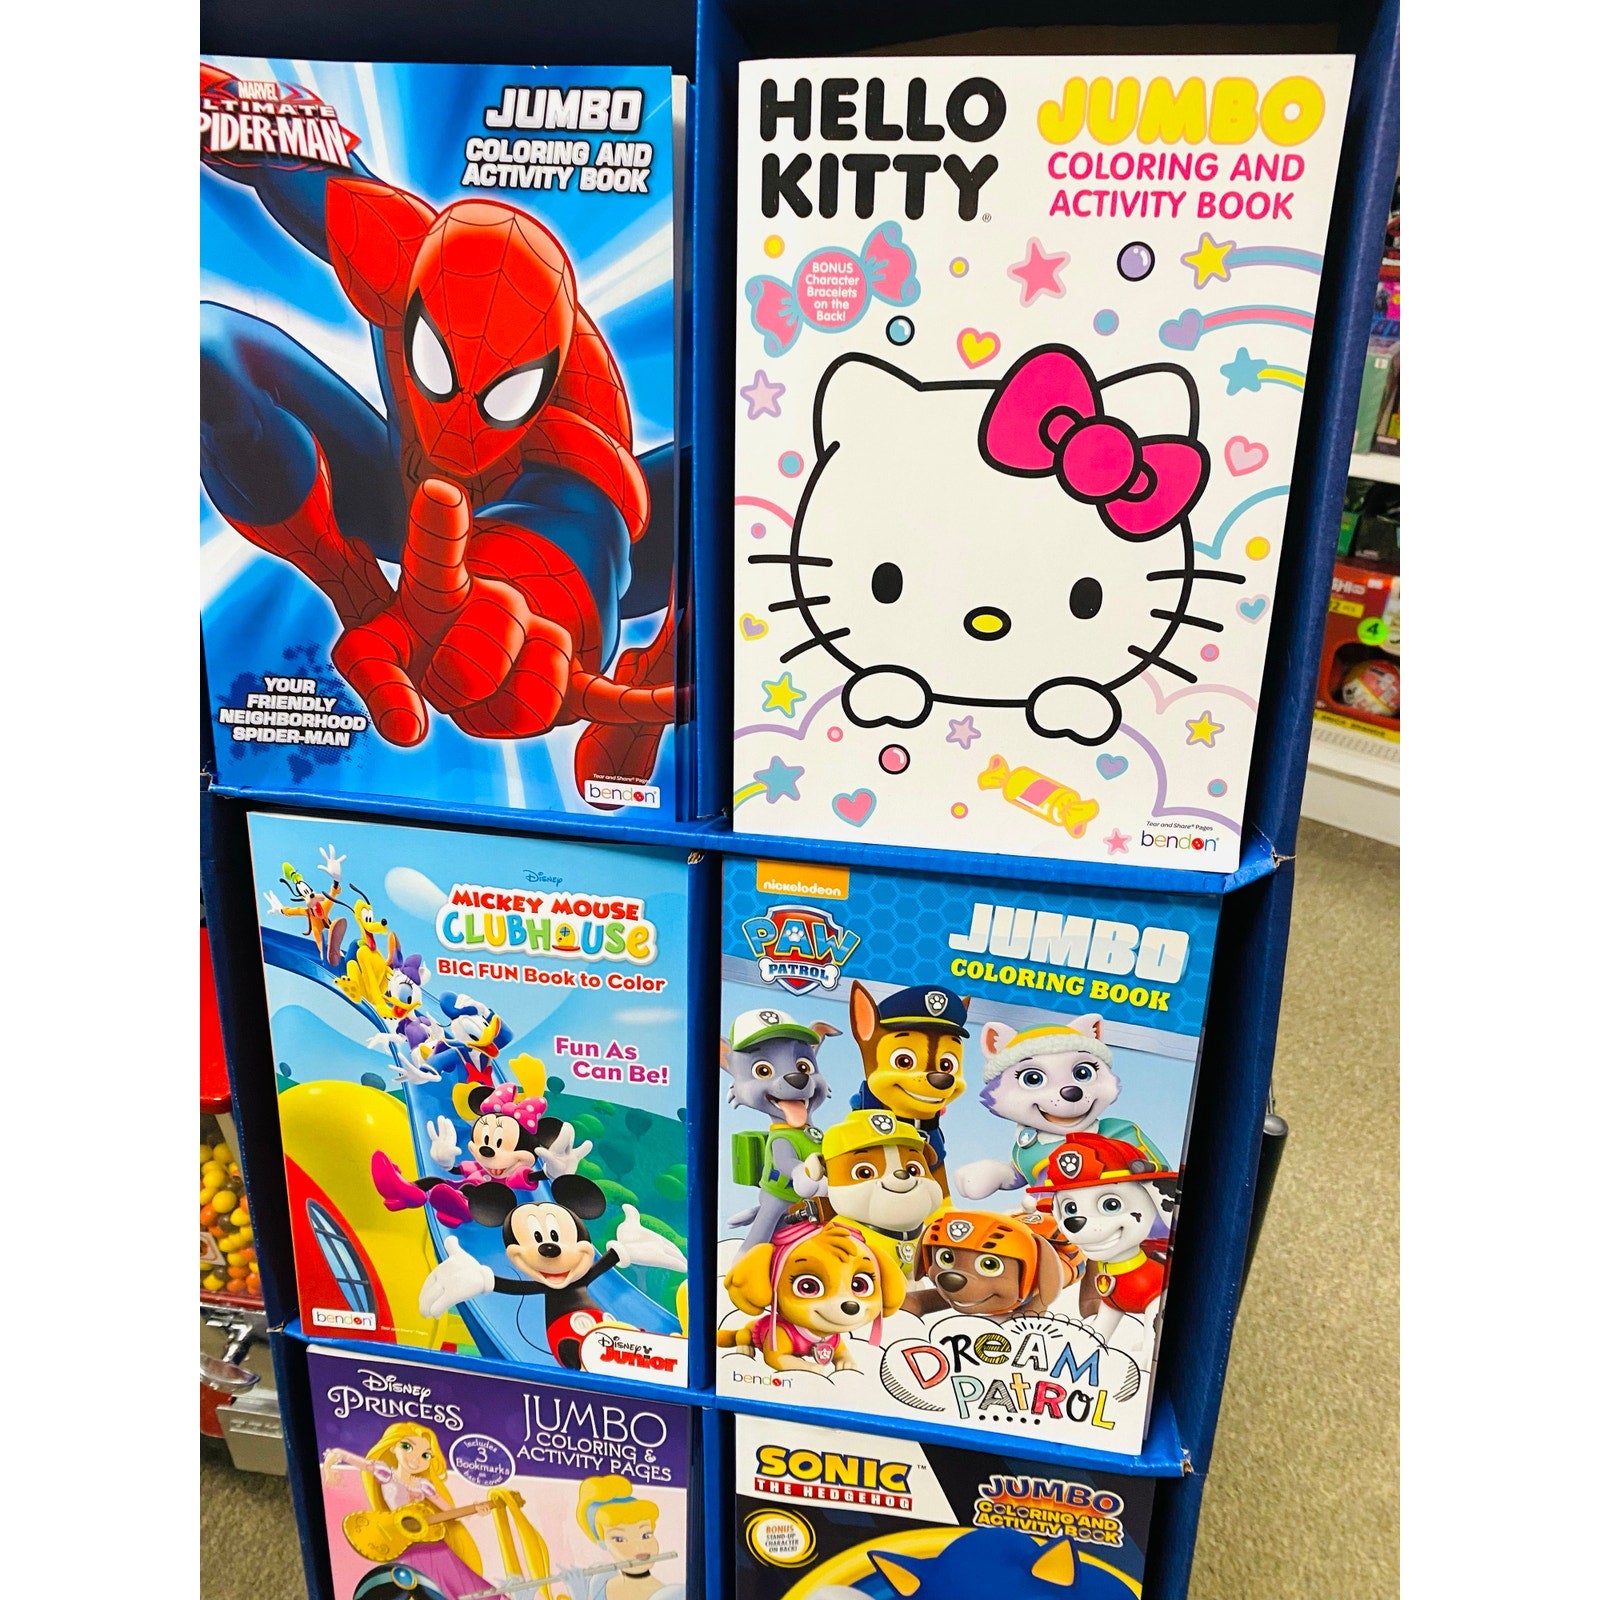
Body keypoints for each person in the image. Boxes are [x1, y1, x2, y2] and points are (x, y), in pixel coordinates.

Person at [574, 1475, 685, 1600]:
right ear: (602, 1543)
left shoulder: (674, 1595)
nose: (638, 1546)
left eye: (646, 1535)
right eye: (619, 1539)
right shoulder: (600, 1584)